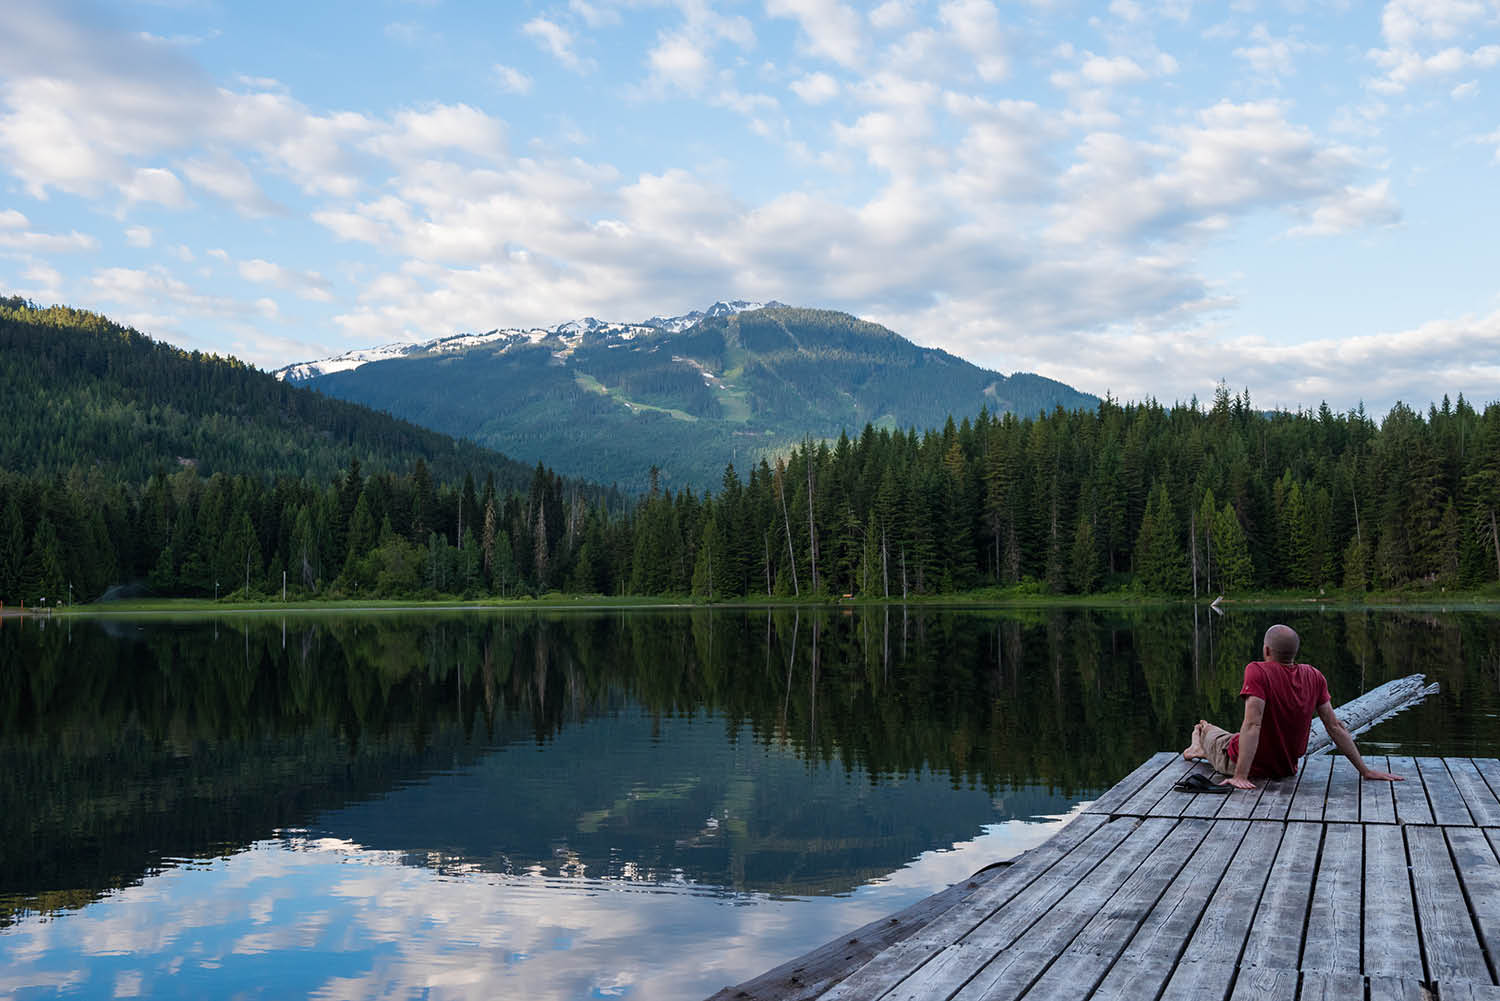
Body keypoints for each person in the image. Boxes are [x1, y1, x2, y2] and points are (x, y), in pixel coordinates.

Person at [1182, 623, 1402, 789]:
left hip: (1242, 762)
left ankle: (1198, 745)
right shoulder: (1314, 675)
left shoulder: (1257, 671)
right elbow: (1335, 726)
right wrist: (1365, 770)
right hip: (1286, 768)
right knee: (1231, 737)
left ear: (1267, 650)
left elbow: (1252, 725)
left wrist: (1240, 776)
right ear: (1294, 652)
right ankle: (1201, 749)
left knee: (1206, 729)